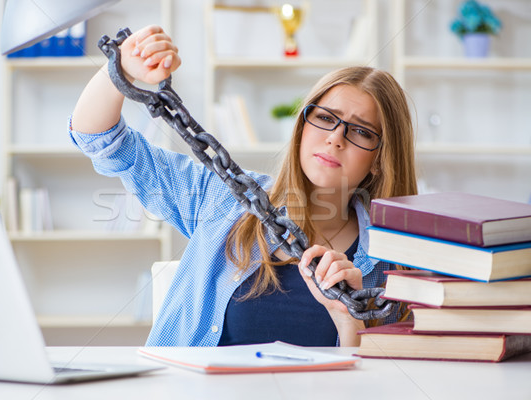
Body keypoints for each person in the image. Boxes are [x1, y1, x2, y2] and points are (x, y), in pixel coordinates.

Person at [70, 25, 417, 347]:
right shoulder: (222, 198)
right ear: (302, 127)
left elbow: (380, 384)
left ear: (380, 158)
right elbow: (99, 138)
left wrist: (348, 322)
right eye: (325, 118)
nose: (335, 139)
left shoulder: (396, 264)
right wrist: (122, 70)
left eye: (360, 131)